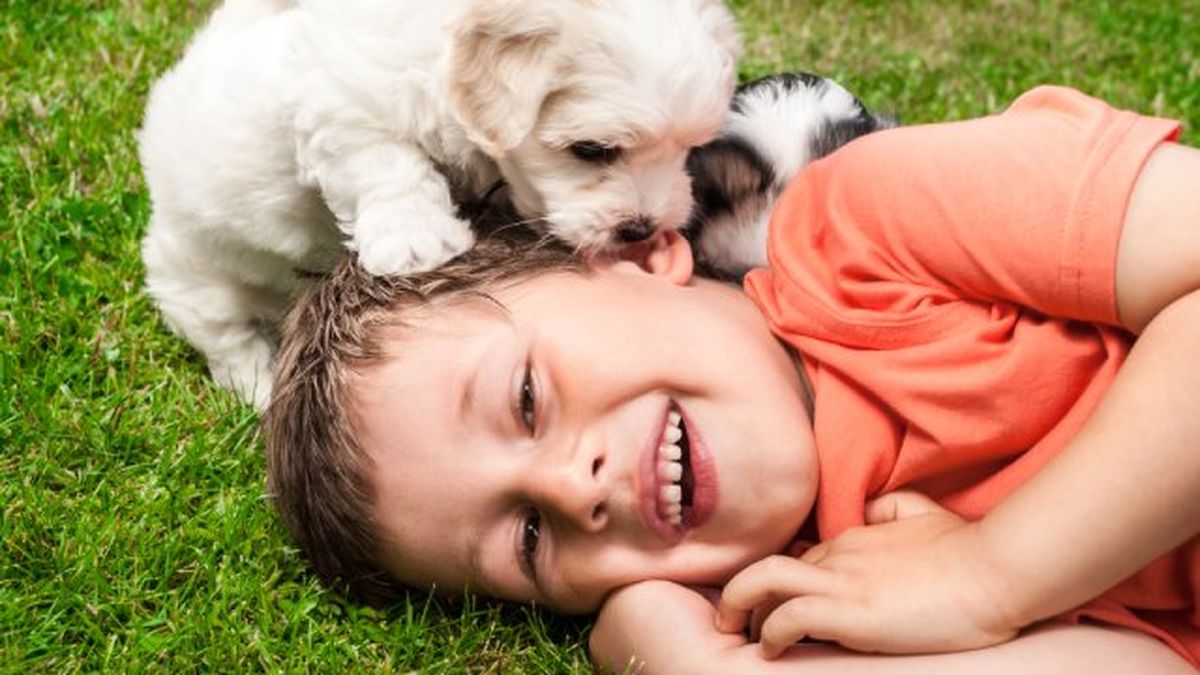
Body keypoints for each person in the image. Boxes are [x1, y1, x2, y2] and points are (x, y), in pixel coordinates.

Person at [264, 86, 1200, 673]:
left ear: (636, 254)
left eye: (526, 400)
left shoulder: (868, 223)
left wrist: (993, 574)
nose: (573, 488)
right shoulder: (800, 596)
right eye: (529, 537)